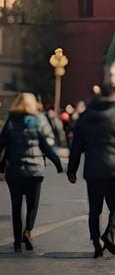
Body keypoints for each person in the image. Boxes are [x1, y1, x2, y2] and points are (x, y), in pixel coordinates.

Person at [67, 81, 115, 257]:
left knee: (94, 209)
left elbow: (77, 145)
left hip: (93, 168)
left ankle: (96, 241)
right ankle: (109, 234)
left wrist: (72, 169)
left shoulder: (85, 115)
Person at [0, 93, 63, 251]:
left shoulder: (11, 122)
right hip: (34, 171)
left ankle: (16, 242)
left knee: (16, 206)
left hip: (14, 170)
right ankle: (28, 231)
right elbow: (45, 146)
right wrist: (58, 163)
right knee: (32, 205)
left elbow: (1, 144)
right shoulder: (36, 121)